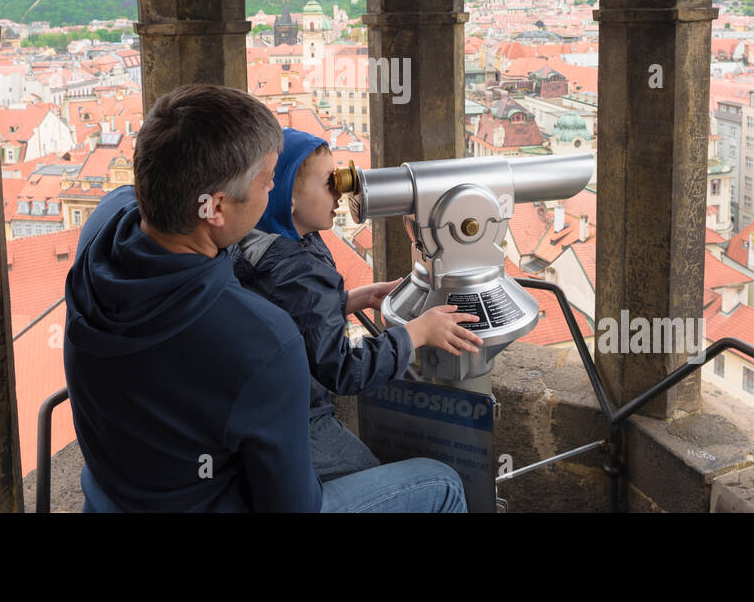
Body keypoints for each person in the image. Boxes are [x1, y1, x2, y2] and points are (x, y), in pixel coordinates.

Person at [63, 83, 466, 512]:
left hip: (111, 494)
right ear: (214, 208)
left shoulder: (103, 227)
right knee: (442, 483)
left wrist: (341, 302)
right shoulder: (266, 343)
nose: (272, 190)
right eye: (266, 182)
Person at [234, 127, 484, 482]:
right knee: (382, 482)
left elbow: (291, 319)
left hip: (263, 411)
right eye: (328, 182)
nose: (341, 190)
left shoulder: (261, 243)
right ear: (289, 197)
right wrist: (416, 333)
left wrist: (353, 300)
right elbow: (344, 370)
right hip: (298, 421)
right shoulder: (300, 270)